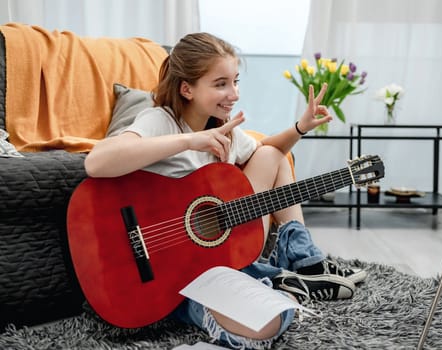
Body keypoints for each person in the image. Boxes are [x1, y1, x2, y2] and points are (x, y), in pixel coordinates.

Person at [85, 32, 367, 349]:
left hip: (215, 256)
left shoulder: (222, 127)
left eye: (235, 81)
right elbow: (97, 163)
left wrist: (300, 127)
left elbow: (266, 153)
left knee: (270, 154)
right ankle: (276, 281)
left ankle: (302, 264)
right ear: (187, 88)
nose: (233, 93)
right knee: (268, 323)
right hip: (172, 274)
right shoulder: (160, 121)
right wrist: (190, 141)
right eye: (221, 84)